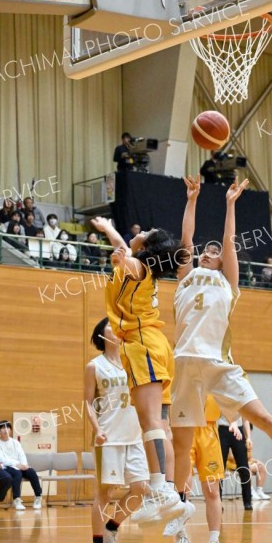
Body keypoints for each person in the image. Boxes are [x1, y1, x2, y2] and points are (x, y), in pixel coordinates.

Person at [171, 175, 272, 520]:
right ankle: (181, 503)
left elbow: (229, 243)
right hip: (185, 362)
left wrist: (231, 204)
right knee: (182, 443)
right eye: (206, 251)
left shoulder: (227, 284)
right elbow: (186, 238)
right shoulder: (185, 278)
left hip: (218, 362)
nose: (208, 254)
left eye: (214, 253)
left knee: (261, 416)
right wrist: (192, 200)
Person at [91, 215, 188, 525]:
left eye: (144, 232)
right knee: (159, 423)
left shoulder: (135, 267)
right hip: (155, 344)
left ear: (146, 247)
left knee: (150, 422)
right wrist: (107, 229)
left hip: (143, 344)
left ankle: (160, 489)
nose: (138, 232)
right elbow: (124, 250)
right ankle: (168, 491)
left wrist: (118, 247)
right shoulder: (143, 269)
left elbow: (125, 254)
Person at [85, 317, 149, 543]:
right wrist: (97, 428)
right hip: (108, 438)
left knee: (141, 489)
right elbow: (88, 402)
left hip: (133, 436)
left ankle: (112, 529)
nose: (118, 327)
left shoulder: (131, 363)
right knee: (104, 493)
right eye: (111, 324)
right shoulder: (94, 366)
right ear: (102, 335)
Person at [163, 395, 225, 543]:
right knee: (184, 485)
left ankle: (214, 542)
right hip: (183, 426)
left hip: (208, 430)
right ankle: (181, 537)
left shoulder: (218, 369)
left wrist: (234, 421)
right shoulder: (181, 369)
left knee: (212, 490)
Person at [0, 421, 43, 511]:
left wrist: (24, 465)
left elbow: (21, 454)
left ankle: (38, 497)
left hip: (20, 465)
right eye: (3, 428)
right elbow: (3, 459)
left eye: (8, 428)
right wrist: (17, 465)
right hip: (7, 467)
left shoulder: (15, 442)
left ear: (10, 430)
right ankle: (17, 500)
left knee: (32, 472)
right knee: (17, 474)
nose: (6, 430)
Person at [218, 415, 252, 510]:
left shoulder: (242, 400)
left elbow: (245, 419)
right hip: (223, 430)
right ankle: (218, 502)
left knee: (244, 468)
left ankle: (248, 501)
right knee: (220, 469)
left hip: (239, 430)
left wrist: (248, 437)